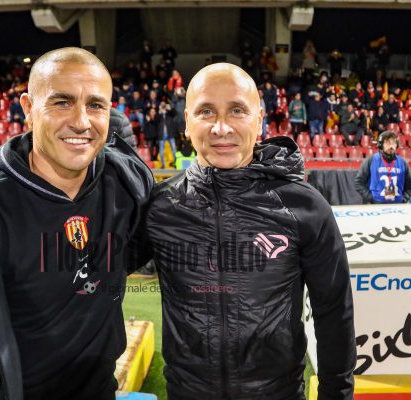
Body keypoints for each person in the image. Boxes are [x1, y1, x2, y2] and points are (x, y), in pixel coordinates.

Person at [0, 47, 153, 400]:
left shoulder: (125, 183)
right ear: (28, 108)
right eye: (62, 102)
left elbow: (133, 252)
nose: (81, 121)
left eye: (95, 105)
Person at [136, 63, 355, 400]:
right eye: (206, 111)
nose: (221, 127)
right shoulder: (160, 206)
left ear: (259, 119)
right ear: (187, 122)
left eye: (237, 110)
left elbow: (333, 311)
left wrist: (336, 394)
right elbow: (94, 274)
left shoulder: (304, 207)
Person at [355, 130, 411, 204]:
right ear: (381, 145)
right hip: (376, 206)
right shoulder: (371, 160)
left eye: (393, 143)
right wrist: (371, 198)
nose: (391, 146)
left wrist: (404, 199)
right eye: (387, 143)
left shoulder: (402, 163)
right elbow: (359, 182)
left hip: (398, 206)